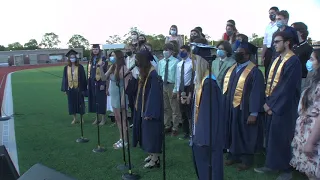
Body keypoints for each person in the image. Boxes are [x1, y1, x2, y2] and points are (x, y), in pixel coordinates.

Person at [254, 31, 302, 180]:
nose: (274, 44)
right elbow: (271, 82)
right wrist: (267, 102)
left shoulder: (293, 61)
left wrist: (272, 106)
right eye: (274, 41)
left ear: (287, 42)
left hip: (285, 106)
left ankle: (286, 170)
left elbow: (286, 87)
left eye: (277, 41)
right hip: (272, 104)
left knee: (283, 137)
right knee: (272, 136)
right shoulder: (277, 59)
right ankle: (271, 164)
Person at [222, 42, 265, 171]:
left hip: (245, 109)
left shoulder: (254, 72)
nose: (236, 54)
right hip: (231, 108)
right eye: (236, 51)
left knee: (245, 133)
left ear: (247, 55)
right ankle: (233, 155)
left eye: (240, 52)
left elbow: (257, 93)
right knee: (232, 130)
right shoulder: (233, 69)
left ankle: (247, 160)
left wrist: (254, 113)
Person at [191, 38, 224, 180]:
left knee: (210, 166)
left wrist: (201, 138)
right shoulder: (202, 81)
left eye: (194, 60)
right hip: (202, 133)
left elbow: (208, 116)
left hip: (207, 136)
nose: (192, 63)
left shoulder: (209, 84)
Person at [290, 48, 320, 180]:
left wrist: (311, 142)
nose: (308, 62)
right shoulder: (312, 81)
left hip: (313, 134)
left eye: (312, 59)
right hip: (305, 132)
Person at [132, 49, 163, 169]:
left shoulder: (153, 75)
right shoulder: (146, 73)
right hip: (144, 108)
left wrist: (149, 112)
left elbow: (154, 95)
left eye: (137, 59)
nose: (136, 62)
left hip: (151, 111)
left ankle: (155, 160)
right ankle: (151, 155)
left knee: (152, 134)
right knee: (146, 133)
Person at [105, 50, 130, 149]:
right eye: (111, 56)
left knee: (123, 119)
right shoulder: (112, 67)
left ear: (119, 57)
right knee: (117, 119)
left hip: (121, 96)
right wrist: (100, 68)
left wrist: (123, 99)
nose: (112, 57)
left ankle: (125, 140)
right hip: (114, 97)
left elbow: (126, 85)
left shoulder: (123, 68)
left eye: (113, 56)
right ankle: (121, 138)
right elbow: (103, 78)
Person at [158, 43, 180, 136]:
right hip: (163, 85)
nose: (165, 52)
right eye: (164, 50)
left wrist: (176, 89)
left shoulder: (176, 62)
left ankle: (175, 127)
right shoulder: (161, 62)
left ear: (172, 51)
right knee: (166, 107)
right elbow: (159, 74)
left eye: (167, 50)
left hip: (172, 85)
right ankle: (167, 125)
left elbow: (177, 77)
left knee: (174, 107)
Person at [61, 49, 87, 124]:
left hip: (79, 88)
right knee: (71, 103)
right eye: (71, 57)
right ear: (69, 58)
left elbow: (83, 78)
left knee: (80, 103)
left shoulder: (80, 67)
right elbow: (65, 79)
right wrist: (65, 89)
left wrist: (82, 88)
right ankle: (74, 118)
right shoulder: (66, 68)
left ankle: (82, 118)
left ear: (76, 58)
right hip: (70, 88)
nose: (72, 58)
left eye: (73, 57)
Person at [173, 45, 194, 140]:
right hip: (181, 88)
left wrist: (190, 93)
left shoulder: (192, 63)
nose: (182, 52)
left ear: (188, 52)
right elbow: (177, 78)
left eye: (184, 51)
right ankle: (186, 132)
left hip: (188, 88)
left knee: (189, 111)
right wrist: (177, 91)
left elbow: (193, 79)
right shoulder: (179, 64)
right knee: (183, 112)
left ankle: (192, 133)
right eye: (180, 51)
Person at [87, 44, 108, 125]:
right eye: (93, 49)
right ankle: (97, 118)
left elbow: (105, 71)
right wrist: (88, 82)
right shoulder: (91, 59)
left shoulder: (103, 59)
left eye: (96, 49)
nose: (95, 50)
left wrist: (103, 83)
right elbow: (89, 72)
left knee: (101, 100)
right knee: (95, 100)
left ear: (99, 50)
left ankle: (103, 118)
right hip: (92, 82)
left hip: (100, 82)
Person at [291, 22, 313, 91]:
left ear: (300, 32)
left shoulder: (308, 49)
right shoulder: (292, 47)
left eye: (293, 30)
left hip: (302, 79)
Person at [261, 7, 279, 79]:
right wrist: (262, 56)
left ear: (277, 13)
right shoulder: (268, 26)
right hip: (268, 51)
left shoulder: (278, 25)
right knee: (267, 71)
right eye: (269, 13)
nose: (270, 15)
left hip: (276, 49)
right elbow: (265, 41)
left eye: (272, 13)